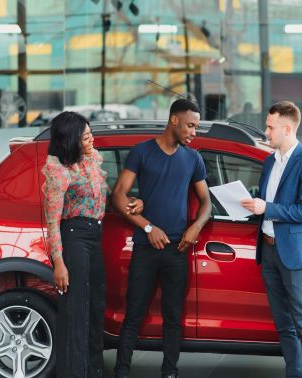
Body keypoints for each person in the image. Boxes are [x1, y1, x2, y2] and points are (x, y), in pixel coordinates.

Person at [112, 98, 212, 378]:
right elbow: (119, 195)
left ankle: (170, 372)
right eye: (191, 125)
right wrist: (147, 227)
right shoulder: (142, 152)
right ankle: (121, 372)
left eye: (197, 126)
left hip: (177, 249)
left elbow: (207, 202)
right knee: (133, 314)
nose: (194, 132)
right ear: (174, 120)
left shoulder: (193, 158)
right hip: (145, 247)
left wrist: (196, 228)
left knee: (173, 316)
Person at [43, 111, 143, 377]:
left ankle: (93, 371)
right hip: (74, 239)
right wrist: (59, 263)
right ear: (71, 139)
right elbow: (52, 222)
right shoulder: (59, 172)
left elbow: (100, 201)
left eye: (90, 134)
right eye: (85, 136)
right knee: (75, 314)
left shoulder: (90, 162)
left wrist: (135, 202)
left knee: (95, 309)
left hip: (94, 237)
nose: (91, 139)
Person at [241, 101, 302, 378]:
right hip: (269, 252)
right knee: (284, 325)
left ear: (287, 129)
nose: (266, 132)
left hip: (295, 256)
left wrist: (267, 208)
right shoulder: (269, 161)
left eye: (270, 127)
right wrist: (251, 207)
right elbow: (268, 202)